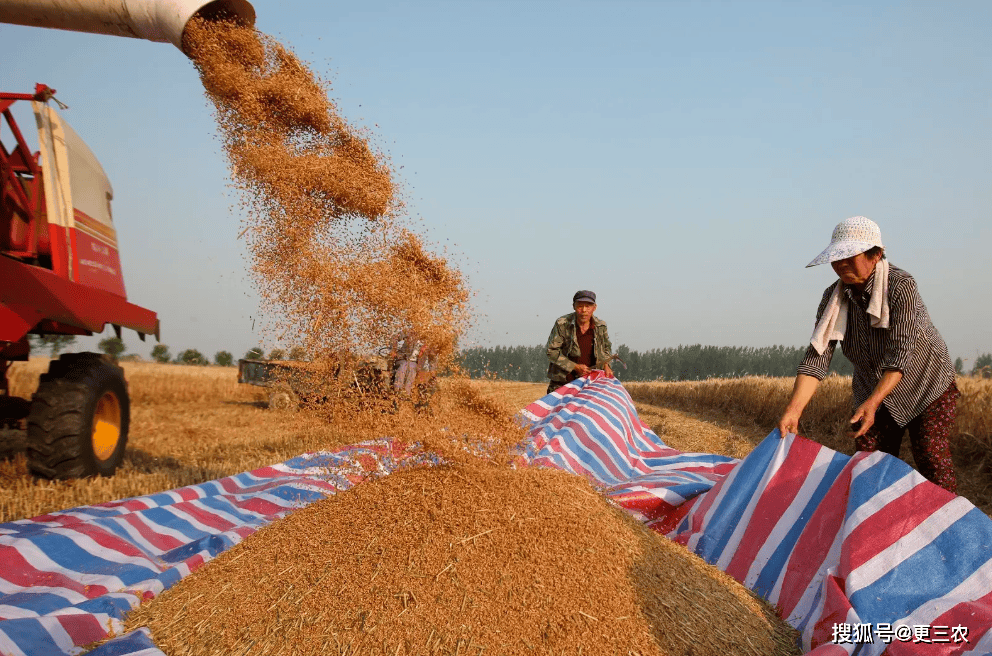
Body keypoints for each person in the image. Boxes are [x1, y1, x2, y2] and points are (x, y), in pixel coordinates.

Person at [777, 216, 959, 492]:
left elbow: (900, 355)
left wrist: (873, 403)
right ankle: (871, 524)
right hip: (871, 385)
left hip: (926, 386)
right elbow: (817, 357)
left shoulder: (901, 286)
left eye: (849, 257)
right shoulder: (833, 298)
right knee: (868, 464)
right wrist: (794, 410)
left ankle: (948, 526)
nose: (840, 265)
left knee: (932, 461)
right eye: (836, 259)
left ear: (876, 255)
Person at [545, 290, 614, 394]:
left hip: (590, 383)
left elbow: (606, 349)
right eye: (580, 306)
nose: (584, 310)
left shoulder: (601, 326)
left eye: (588, 306)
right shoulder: (562, 324)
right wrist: (574, 367)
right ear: (574, 307)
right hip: (563, 382)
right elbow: (551, 351)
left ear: (594, 308)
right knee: (558, 410)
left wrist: (606, 364)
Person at [389, 330, 422, 397]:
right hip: (403, 359)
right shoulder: (408, 332)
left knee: (412, 369)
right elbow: (394, 337)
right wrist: (393, 350)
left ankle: (407, 394)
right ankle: (397, 391)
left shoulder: (428, 337)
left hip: (414, 362)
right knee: (403, 366)